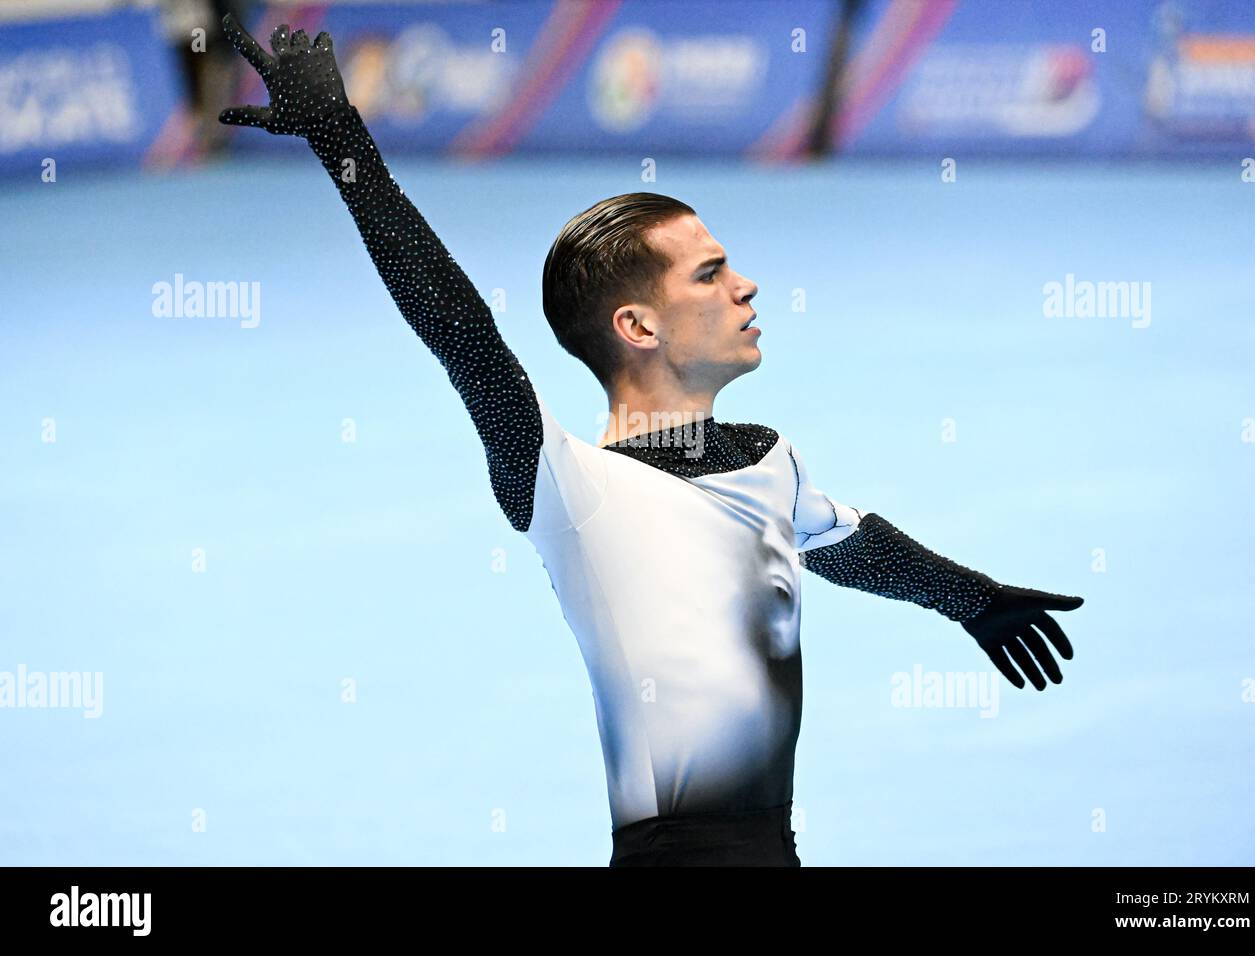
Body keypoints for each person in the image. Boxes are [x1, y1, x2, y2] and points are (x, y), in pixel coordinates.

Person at [217, 17, 1084, 867]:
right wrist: (344, 146)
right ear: (636, 324)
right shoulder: (569, 487)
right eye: (709, 274)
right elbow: (460, 330)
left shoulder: (767, 459)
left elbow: (848, 542)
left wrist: (971, 598)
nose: (745, 286)